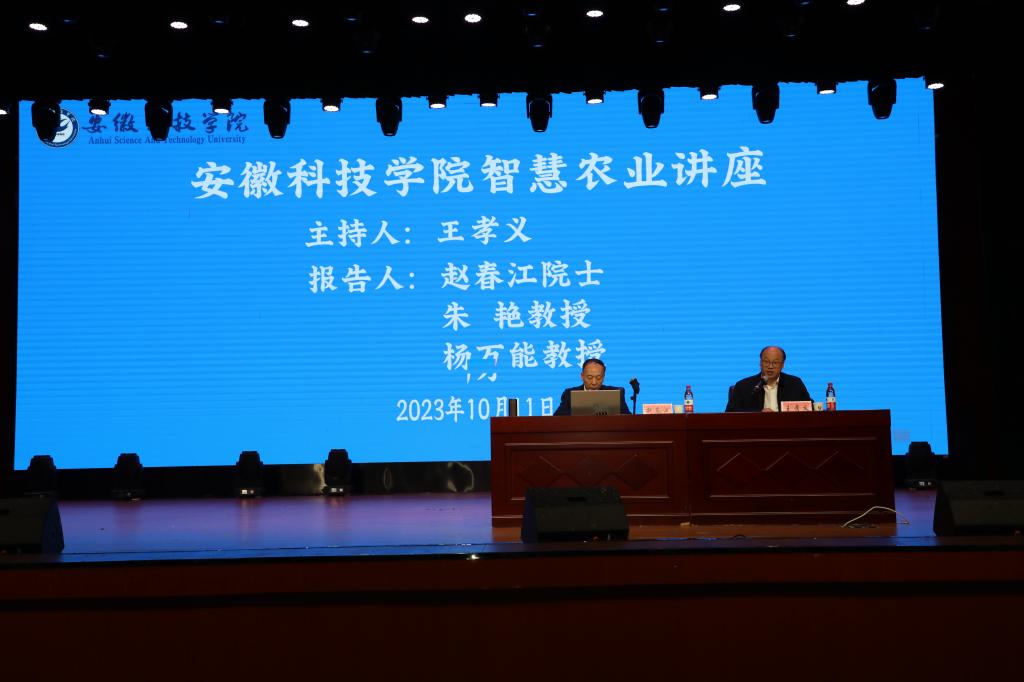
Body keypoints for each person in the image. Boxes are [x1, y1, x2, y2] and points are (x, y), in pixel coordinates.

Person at [725, 346, 812, 412]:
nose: (770, 366)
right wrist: (759, 415)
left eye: (775, 362)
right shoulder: (744, 386)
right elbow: (730, 412)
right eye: (766, 361)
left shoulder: (794, 384)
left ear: (782, 365)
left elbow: (809, 408)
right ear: (760, 362)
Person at [553, 357, 631, 416]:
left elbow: (628, 418)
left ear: (603, 377)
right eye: (590, 377)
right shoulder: (569, 394)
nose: (594, 382)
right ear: (582, 376)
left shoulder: (615, 393)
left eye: (598, 378)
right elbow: (557, 418)